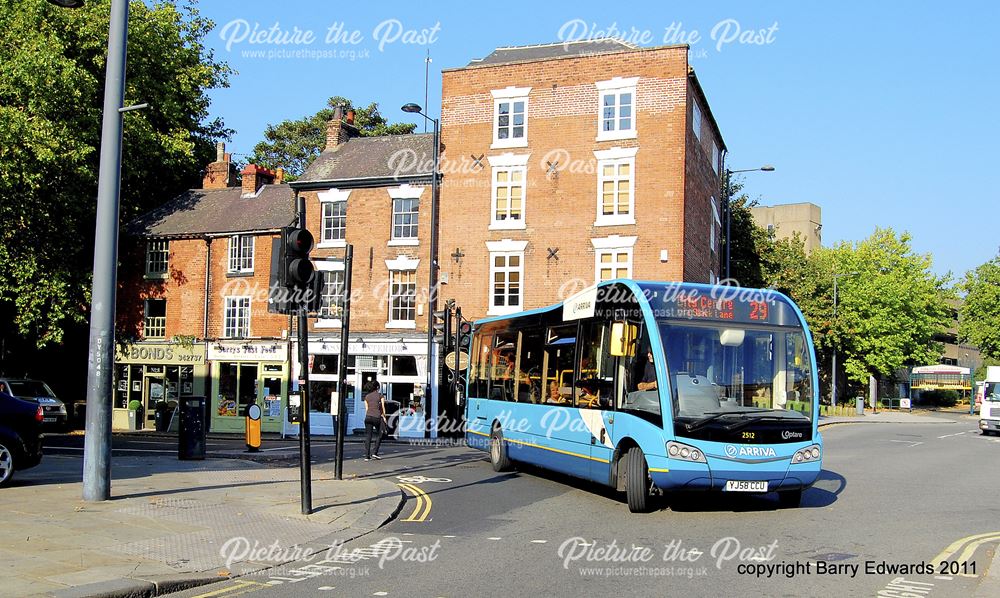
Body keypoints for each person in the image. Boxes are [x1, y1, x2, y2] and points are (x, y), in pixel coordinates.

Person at [362, 380, 387, 461]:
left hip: (368, 417)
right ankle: (374, 452)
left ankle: (366, 456)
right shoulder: (380, 396)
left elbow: (367, 409)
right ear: (377, 387)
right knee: (380, 434)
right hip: (377, 417)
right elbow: (383, 408)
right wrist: (384, 417)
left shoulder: (367, 397)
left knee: (368, 436)